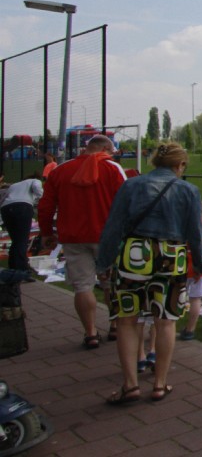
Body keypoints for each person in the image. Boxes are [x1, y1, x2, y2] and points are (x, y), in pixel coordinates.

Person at [96, 141, 202, 404]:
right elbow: (196, 233)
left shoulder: (131, 185)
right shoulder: (188, 190)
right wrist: (199, 264)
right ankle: (160, 383)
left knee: (127, 320)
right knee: (166, 320)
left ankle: (130, 384)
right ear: (180, 165)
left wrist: (104, 263)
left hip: (133, 254)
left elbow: (113, 226)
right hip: (171, 256)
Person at [38, 134, 127, 349]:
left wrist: (46, 232)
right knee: (111, 283)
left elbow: (45, 206)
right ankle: (115, 326)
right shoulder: (112, 168)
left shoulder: (60, 170)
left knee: (82, 286)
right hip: (107, 237)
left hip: (73, 237)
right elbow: (127, 202)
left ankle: (91, 332)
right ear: (105, 149)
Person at [180, 201, 202, 341]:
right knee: (195, 299)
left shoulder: (183, 227)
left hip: (183, 266)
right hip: (198, 268)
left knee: (178, 296)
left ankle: (168, 325)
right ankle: (190, 329)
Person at [0, 174, 43, 274]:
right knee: (22, 240)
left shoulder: (14, 185)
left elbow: (4, 198)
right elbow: (37, 188)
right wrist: (43, 197)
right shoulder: (35, 181)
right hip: (22, 207)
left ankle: (13, 267)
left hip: (6, 208)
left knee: (15, 240)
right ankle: (21, 269)